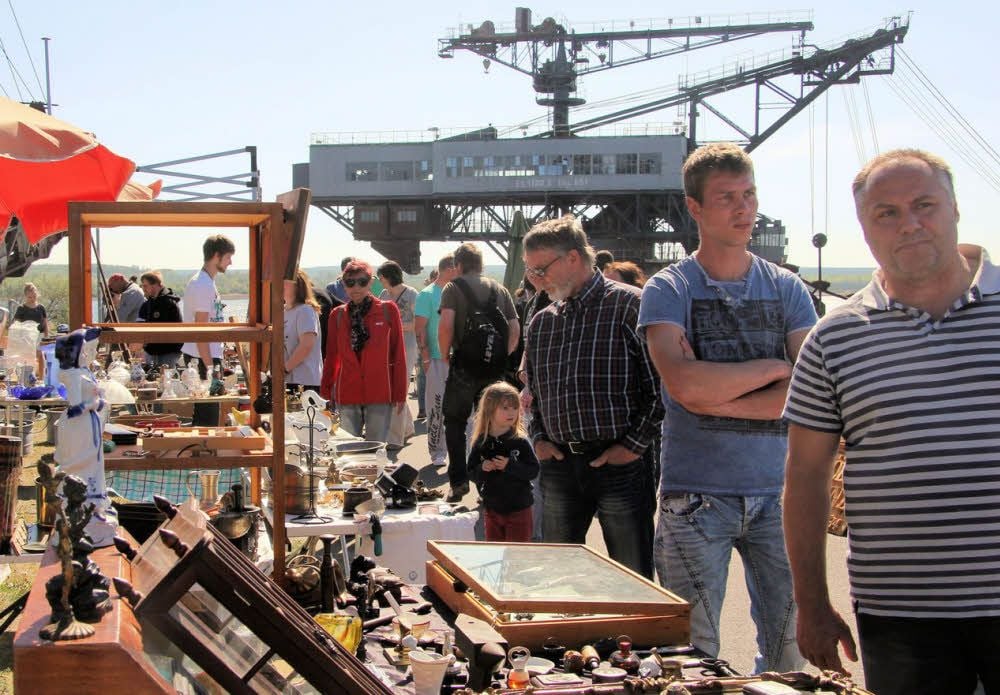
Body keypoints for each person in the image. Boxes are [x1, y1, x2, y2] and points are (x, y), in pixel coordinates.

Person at [782, 149, 1000, 694]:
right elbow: (805, 477)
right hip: (901, 614)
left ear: (954, 209)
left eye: (924, 205)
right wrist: (811, 603)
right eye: (887, 213)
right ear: (864, 227)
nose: (910, 224)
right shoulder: (833, 339)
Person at [638, 143, 815, 671]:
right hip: (696, 499)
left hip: (778, 496)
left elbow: (810, 393)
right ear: (694, 208)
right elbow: (686, 386)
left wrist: (716, 389)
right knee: (691, 657)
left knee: (791, 654)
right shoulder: (669, 289)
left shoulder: (787, 288)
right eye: (726, 198)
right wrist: (775, 367)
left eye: (749, 194)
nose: (744, 210)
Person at [523, 215, 663, 578]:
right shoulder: (542, 322)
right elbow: (533, 393)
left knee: (632, 580)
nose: (535, 279)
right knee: (557, 578)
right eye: (531, 271)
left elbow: (661, 389)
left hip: (619, 465)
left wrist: (631, 447)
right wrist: (538, 437)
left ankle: (636, 638)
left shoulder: (630, 306)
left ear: (573, 258)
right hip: (558, 466)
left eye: (541, 269)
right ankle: (568, 638)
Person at [439, 243, 519, 502]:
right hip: (493, 369)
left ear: (458, 265)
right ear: (481, 264)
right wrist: (501, 356)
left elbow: (446, 325)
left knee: (455, 422)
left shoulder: (453, 288)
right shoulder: (500, 289)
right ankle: (489, 485)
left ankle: (459, 481)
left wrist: (445, 354)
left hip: (464, 367)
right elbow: (515, 328)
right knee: (491, 425)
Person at [320, 260, 407, 443]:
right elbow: (331, 357)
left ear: (370, 282)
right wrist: (325, 393)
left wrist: (400, 394)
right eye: (350, 283)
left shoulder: (387, 310)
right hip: (347, 391)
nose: (356, 287)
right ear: (343, 284)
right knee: (348, 452)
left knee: (375, 451)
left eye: (362, 281)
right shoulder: (337, 315)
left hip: (379, 391)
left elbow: (398, 353)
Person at [467, 381, 539, 543]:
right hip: (492, 508)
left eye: (515, 407)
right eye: (505, 408)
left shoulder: (520, 441)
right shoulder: (481, 440)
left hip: (519, 509)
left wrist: (510, 465)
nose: (511, 412)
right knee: (495, 554)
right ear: (489, 410)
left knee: (516, 556)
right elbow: (471, 472)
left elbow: (533, 470)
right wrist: (482, 468)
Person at [181, 235, 234, 427]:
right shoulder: (202, 284)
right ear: (217, 256)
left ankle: (202, 453)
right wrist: (210, 367)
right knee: (208, 418)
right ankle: (203, 455)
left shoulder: (206, 282)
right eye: (228, 257)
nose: (230, 262)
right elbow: (200, 330)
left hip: (205, 354)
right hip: (202, 356)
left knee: (207, 413)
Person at [414, 254, 458, 468]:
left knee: (460, 410)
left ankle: (461, 451)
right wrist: (425, 358)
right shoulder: (427, 294)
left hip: (459, 360)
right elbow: (420, 328)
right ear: (450, 269)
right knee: (436, 407)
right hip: (437, 360)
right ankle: (437, 451)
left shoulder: (458, 292)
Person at [378, 260, 418, 449]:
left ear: (386, 277)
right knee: (392, 386)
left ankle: (395, 438)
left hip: (407, 345)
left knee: (400, 387)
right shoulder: (384, 295)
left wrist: (397, 326)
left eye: (381, 278)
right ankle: (408, 427)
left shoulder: (411, 295)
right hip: (387, 346)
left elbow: (419, 323)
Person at [283, 269, 324, 393]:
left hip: (305, 382)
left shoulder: (305, 311)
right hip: (288, 380)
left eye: (284, 282)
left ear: (298, 285)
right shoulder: (283, 312)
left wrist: (284, 369)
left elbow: (306, 345)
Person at [137, 270, 183, 368]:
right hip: (150, 352)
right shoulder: (146, 305)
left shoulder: (170, 304)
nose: (143, 289)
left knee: (166, 381)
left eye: (145, 286)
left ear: (155, 285)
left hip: (169, 352)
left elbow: (178, 329)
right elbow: (139, 328)